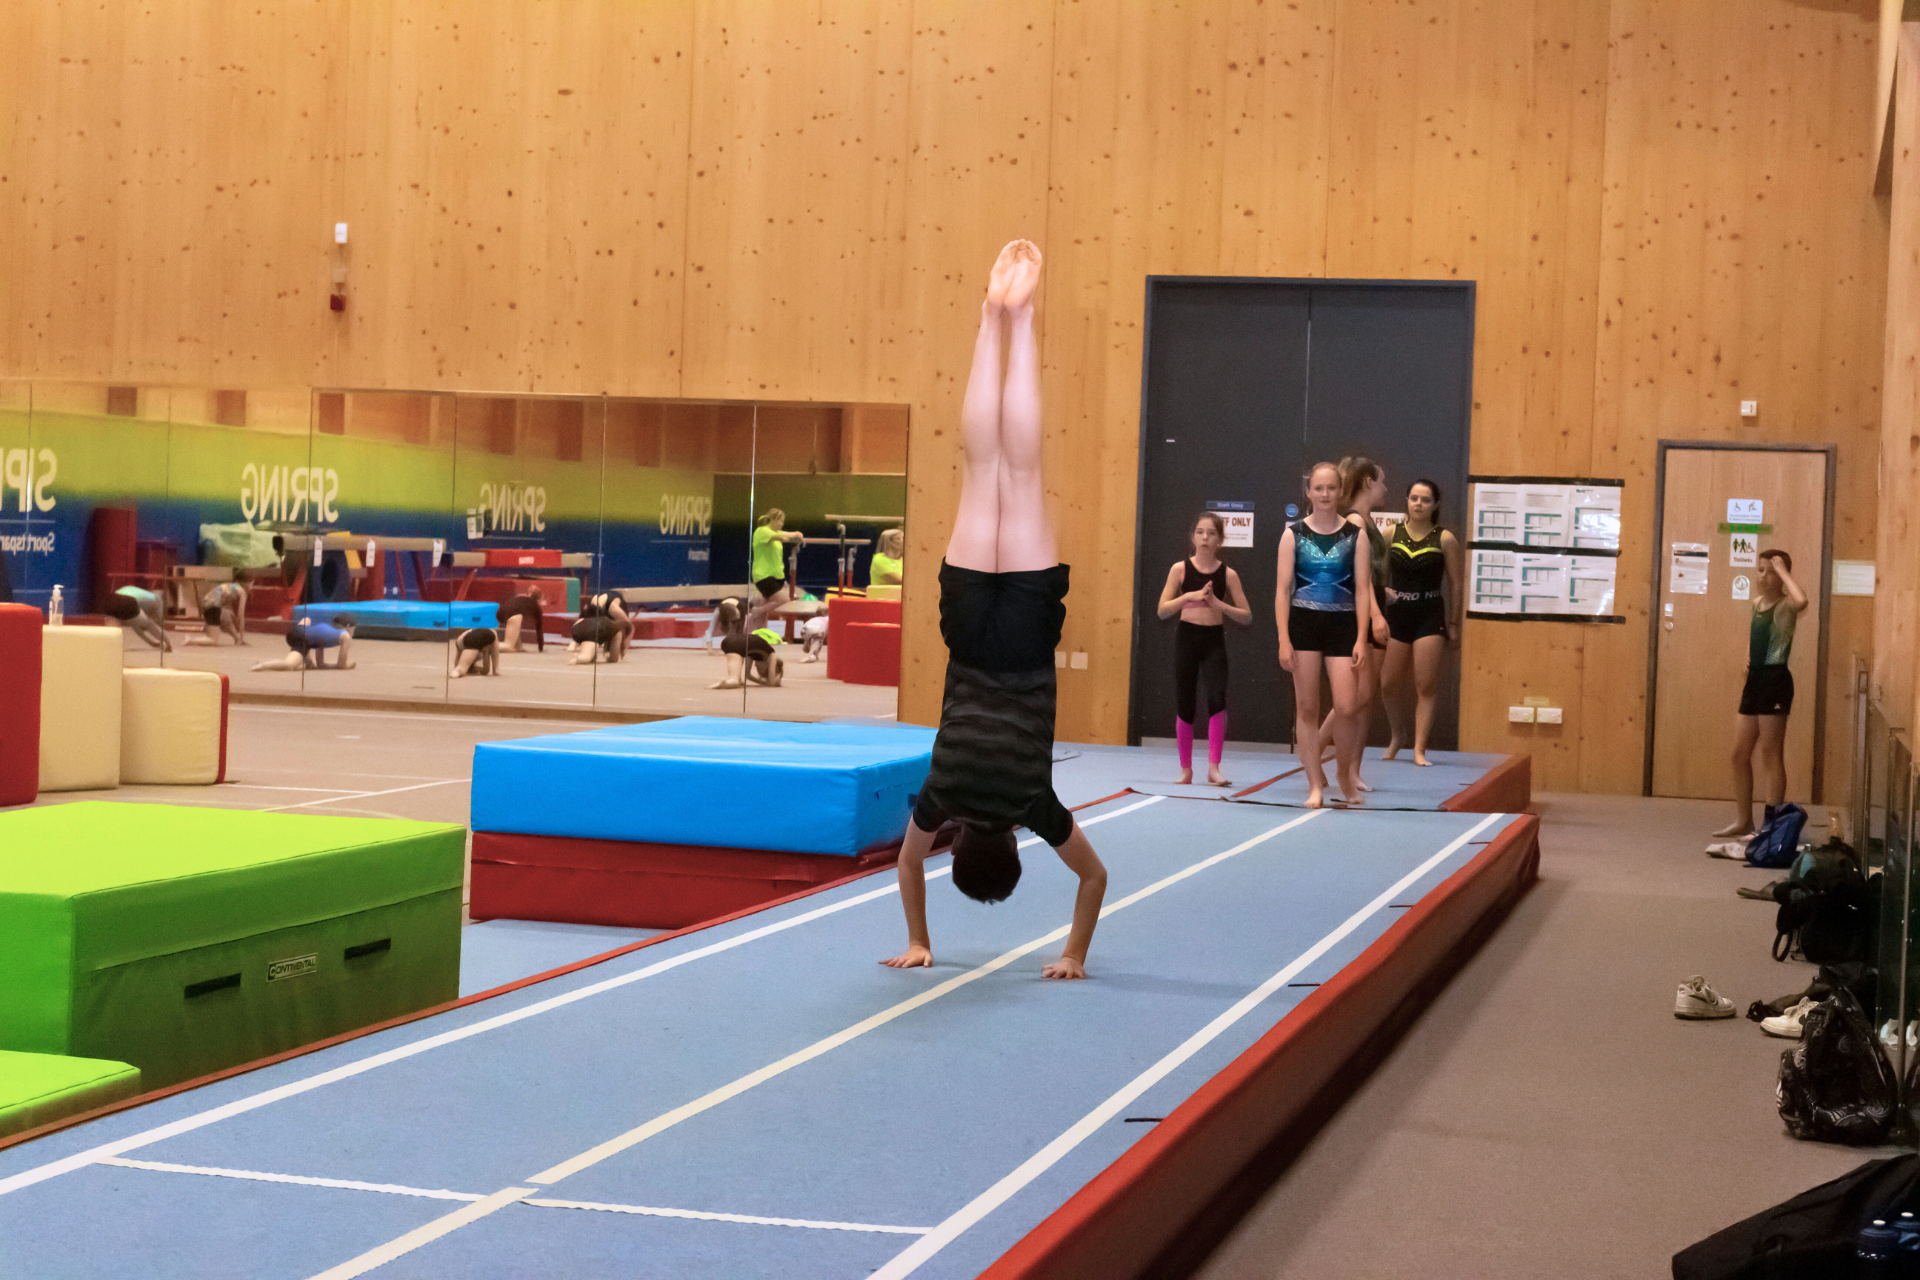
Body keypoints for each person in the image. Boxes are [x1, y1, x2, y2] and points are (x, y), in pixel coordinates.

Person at [880, 240, 1108, 982]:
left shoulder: (1031, 802)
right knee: (982, 469)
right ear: (958, 845)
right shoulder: (939, 795)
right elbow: (909, 864)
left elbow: (1094, 878)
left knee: (1021, 468)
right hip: (970, 636)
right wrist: (919, 937)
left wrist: (1073, 954)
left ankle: (1025, 318)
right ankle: (991, 316)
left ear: (1012, 846)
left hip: (1026, 636)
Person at [1275, 461, 1372, 808]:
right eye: (1319, 488)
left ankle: (1344, 775)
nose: (1325, 494)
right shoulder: (1294, 535)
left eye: (1331, 488)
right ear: (1309, 492)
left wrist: (1362, 637)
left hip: (1343, 624)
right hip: (1304, 623)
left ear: (1340, 491)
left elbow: (1363, 590)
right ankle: (1315, 782)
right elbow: (1282, 590)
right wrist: (1284, 639)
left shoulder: (1355, 536)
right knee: (1307, 707)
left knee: (1346, 706)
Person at [1714, 549, 1809, 838]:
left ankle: (1771, 827)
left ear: (1781, 576)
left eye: (1770, 571)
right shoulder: (1756, 603)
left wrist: (1783, 572)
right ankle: (1744, 821)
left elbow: (1803, 600)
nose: (1764, 576)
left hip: (1775, 680)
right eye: (1761, 570)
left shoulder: (1786, 605)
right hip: (1755, 680)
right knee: (1739, 755)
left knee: (1771, 755)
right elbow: (1754, 635)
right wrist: (1746, 657)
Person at [1155, 512, 1252, 785]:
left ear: (1220, 540)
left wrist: (1219, 605)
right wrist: (1189, 596)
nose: (1205, 538)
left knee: (1216, 700)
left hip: (1213, 640)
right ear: (1193, 537)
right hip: (1187, 638)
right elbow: (1162, 610)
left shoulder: (1228, 574)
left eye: (1211, 533)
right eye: (1200, 532)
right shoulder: (1180, 569)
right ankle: (1186, 769)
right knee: (1185, 702)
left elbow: (1247, 615)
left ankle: (1214, 768)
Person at [1318, 457, 1389, 792]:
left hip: (1374, 605)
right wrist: (1374, 614)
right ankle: (1316, 753)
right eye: (1382, 482)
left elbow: (1372, 573)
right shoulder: (1356, 522)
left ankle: (1352, 769)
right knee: (1355, 698)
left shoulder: (1369, 522)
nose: (1386, 488)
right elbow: (1355, 577)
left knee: (1365, 698)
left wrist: (1383, 593)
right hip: (1358, 613)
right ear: (1368, 483)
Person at [1381, 479, 1462, 766]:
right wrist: (1381, 598)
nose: (1418, 504)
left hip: (1429, 614)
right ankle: (1397, 735)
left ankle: (1419, 748)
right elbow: (1376, 576)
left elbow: (1456, 583)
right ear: (1406, 500)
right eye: (1414, 498)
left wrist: (1453, 624)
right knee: (1388, 683)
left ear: (1435, 505)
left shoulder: (1445, 539)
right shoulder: (1391, 533)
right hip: (1397, 615)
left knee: (1425, 685)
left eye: (1425, 500)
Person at [748, 509, 805, 630]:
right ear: (774, 520)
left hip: (777, 576)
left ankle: (756, 635)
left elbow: (786, 535)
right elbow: (784, 536)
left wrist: (796, 535)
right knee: (784, 600)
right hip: (764, 576)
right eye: (781, 521)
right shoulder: (762, 531)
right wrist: (796, 535)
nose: (782, 524)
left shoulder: (777, 533)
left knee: (763, 614)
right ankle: (757, 611)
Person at [252, 615, 356, 671]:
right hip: (303, 639)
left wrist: (312, 663)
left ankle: (265, 663)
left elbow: (319, 661)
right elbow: (341, 665)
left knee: (308, 621)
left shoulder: (326, 629)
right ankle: (263, 666)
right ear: (346, 627)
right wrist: (344, 666)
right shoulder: (345, 637)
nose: (353, 631)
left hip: (297, 630)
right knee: (290, 665)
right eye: (353, 628)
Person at [102, 585, 169, 650]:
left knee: (139, 625)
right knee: (145, 624)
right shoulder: (153, 599)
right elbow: (154, 624)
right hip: (129, 605)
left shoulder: (124, 593)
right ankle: (164, 643)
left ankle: (112, 645)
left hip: (118, 605)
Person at [183, 580, 248, 646]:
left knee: (224, 619)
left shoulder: (231, 587)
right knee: (213, 640)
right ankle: (190, 640)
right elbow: (241, 616)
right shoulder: (242, 592)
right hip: (213, 606)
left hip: (205, 604)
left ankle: (237, 639)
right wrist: (242, 638)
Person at [584, 590, 630, 661]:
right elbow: (628, 626)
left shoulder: (613, 607)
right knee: (618, 631)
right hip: (605, 609)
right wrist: (623, 644)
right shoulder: (614, 608)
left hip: (597, 608)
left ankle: (592, 651)